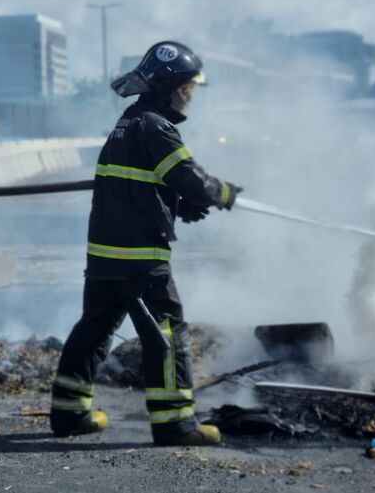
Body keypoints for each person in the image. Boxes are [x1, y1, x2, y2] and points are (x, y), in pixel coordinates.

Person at [49, 41, 241, 446]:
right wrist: (221, 192)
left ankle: (68, 414)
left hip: (104, 256)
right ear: (168, 86)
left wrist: (177, 204)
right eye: (187, 87)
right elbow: (190, 177)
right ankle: (175, 424)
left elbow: (144, 185)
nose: (190, 96)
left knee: (94, 330)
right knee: (168, 335)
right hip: (141, 260)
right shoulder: (156, 126)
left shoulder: (128, 123)